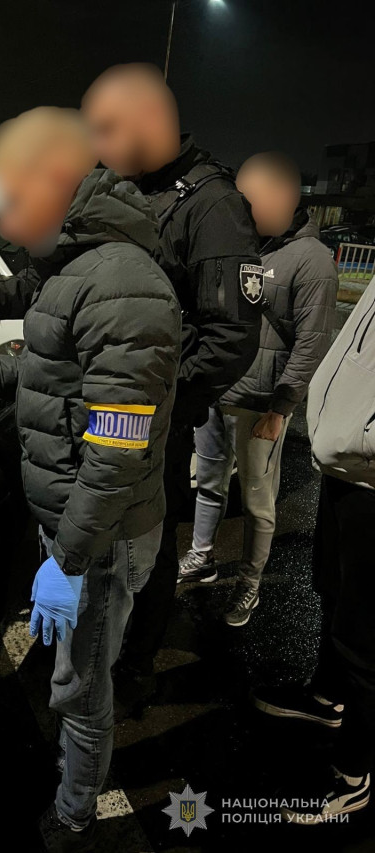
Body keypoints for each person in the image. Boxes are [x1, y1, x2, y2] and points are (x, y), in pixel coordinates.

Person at [0, 106, 181, 851]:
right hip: (77, 527)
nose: (2, 225)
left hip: (100, 538)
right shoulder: (79, 269)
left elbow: (117, 453)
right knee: (72, 669)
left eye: (11, 201)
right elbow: (50, 380)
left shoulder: (122, 284)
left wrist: (70, 559)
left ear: (58, 182)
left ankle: (75, 810)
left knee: (83, 686)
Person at [79, 62, 264, 712]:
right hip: (99, 409)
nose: (96, 144)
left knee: (142, 551)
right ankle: (99, 651)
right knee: (99, 541)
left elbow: (228, 340)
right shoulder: (128, 191)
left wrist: (154, 409)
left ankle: (131, 672)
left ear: (150, 121)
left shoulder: (212, 204)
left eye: (107, 128)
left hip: (151, 420)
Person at [178, 152, 338, 627]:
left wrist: (280, 409)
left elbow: (311, 344)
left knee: (256, 503)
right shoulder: (240, 245)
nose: (242, 209)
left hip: (260, 405)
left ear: (284, 199)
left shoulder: (312, 261)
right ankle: (202, 557)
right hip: (216, 394)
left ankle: (249, 585)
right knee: (208, 486)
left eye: (250, 201)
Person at [251, 271, 375, 824]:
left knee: (365, 636)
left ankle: (354, 773)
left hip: (370, 472)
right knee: (331, 589)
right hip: (349, 463)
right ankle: (327, 699)